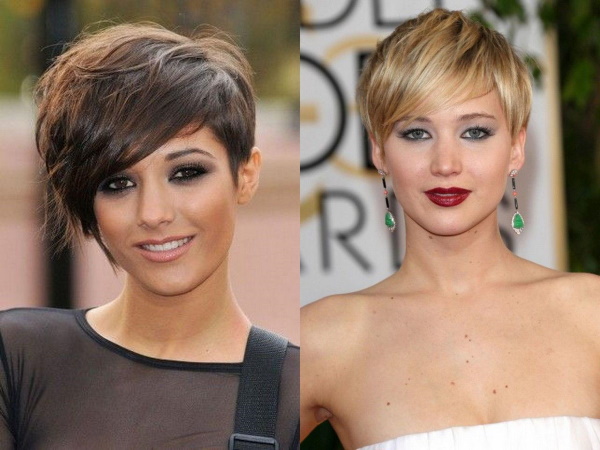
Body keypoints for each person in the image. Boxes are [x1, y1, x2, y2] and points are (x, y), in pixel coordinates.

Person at [301, 8, 600, 449]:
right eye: (417, 133)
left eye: (475, 132)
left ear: (516, 147)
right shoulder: (325, 339)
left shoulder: (590, 313)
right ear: (379, 152)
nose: (445, 164)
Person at [0, 23, 298, 449]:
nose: (154, 214)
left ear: (246, 175)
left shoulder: (300, 393)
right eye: (118, 183)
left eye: (187, 172)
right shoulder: (20, 357)